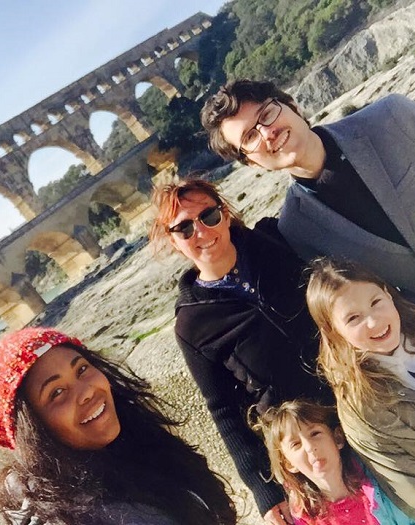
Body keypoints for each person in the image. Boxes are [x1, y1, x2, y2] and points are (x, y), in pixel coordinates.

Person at [149, 177, 333, 525]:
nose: (201, 232)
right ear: (173, 242)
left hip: (358, 398)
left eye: (209, 216)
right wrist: (264, 490)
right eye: (184, 228)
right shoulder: (192, 324)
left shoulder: (274, 241)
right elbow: (223, 411)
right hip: (305, 444)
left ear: (226, 212)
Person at [0, 327, 236, 525]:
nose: (87, 392)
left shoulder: (136, 446)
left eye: (82, 370)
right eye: (57, 392)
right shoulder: (67, 517)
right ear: (34, 430)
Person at [200, 79, 415, 306]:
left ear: (293, 105)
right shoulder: (297, 228)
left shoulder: (392, 117)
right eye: (250, 137)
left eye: (267, 114)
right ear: (251, 163)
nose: (267, 133)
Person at [306, 257, 415, 522]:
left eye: (375, 302)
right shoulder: (361, 409)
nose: (373, 322)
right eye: (353, 318)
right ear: (335, 333)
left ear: (387, 292)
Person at [253, 399, 415, 524]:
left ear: (337, 438)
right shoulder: (305, 518)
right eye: (296, 444)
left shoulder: (381, 484)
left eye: (315, 433)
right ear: (289, 464)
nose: (310, 447)